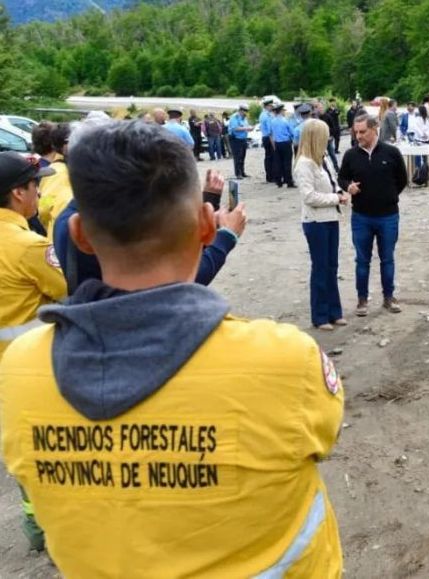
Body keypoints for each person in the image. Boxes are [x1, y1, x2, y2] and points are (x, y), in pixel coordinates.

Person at [0, 120, 344, 577]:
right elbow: (323, 438)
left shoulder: (20, 373)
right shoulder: (283, 359)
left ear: (79, 235)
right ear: (205, 225)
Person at [0, 151, 65, 551]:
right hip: (26, 364)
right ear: (17, 194)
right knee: (42, 443)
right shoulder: (27, 246)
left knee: (15, 441)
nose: (39, 190)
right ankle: (47, 525)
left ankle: (34, 523)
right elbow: (66, 290)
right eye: (34, 184)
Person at [53, 166, 247, 294]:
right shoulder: (124, 220)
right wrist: (226, 237)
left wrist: (208, 201)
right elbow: (182, 279)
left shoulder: (72, 216)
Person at [337, 114, 407, 317]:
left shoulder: (392, 153)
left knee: (387, 259)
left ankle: (389, 297)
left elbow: (401, 179)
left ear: (374, 129)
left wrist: (389, 196)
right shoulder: (351, 155)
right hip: (361, 217)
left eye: (362, 132)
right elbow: (342, 177)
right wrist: (347, 186)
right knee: (362, 260)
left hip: (388, 216)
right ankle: (362, 300)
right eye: (355, 132)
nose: (358, 136)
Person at [294, 119, 350, 330]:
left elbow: (332, 183)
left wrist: (339, 193)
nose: (329, 138)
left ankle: (335, 312)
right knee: (320, 268)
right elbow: (309, 196)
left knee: (332, 267)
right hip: (316, 221)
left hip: (330, 219)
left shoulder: (322, 158)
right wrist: (336, 199)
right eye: (325, 135)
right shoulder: (304, 164)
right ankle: (320, 316)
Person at [37, 122, 73, 239]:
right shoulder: (56, 172)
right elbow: (44, 208)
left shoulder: (71, 166)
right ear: (65, 145)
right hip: (61, 240)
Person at [271, 103, 296, 188]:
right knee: (287, 163)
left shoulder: (273, 121)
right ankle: (289, 181)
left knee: (278, 162)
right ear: (281, 111)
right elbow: (292, 132)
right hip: (286, 143)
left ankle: (279, 181)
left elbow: (272, 133)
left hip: (277, 143)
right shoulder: (285, 121)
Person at [228, 104, 252, 179]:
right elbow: (235, 128)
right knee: (237, 157)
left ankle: (242, 172)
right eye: (245, 111)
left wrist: (249, 128)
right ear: (241, 110)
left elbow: (245, 126)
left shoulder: (244, 118)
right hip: (235, 139)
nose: (246, 113)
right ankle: (238, 173)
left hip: (243, 138)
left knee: (242, 156)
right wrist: (246, 128)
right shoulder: (234, 117)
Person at [259, 97, 275, 182]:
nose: (272, 107)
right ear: (267, 106)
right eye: (270, 106)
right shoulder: (267, 115)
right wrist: (273, 141)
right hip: (269, 137)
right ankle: (271, 176)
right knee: (271, 157)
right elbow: (270, 130)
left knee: (268, 157)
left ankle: (269, 176)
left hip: (265, 137)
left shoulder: (263, 114)